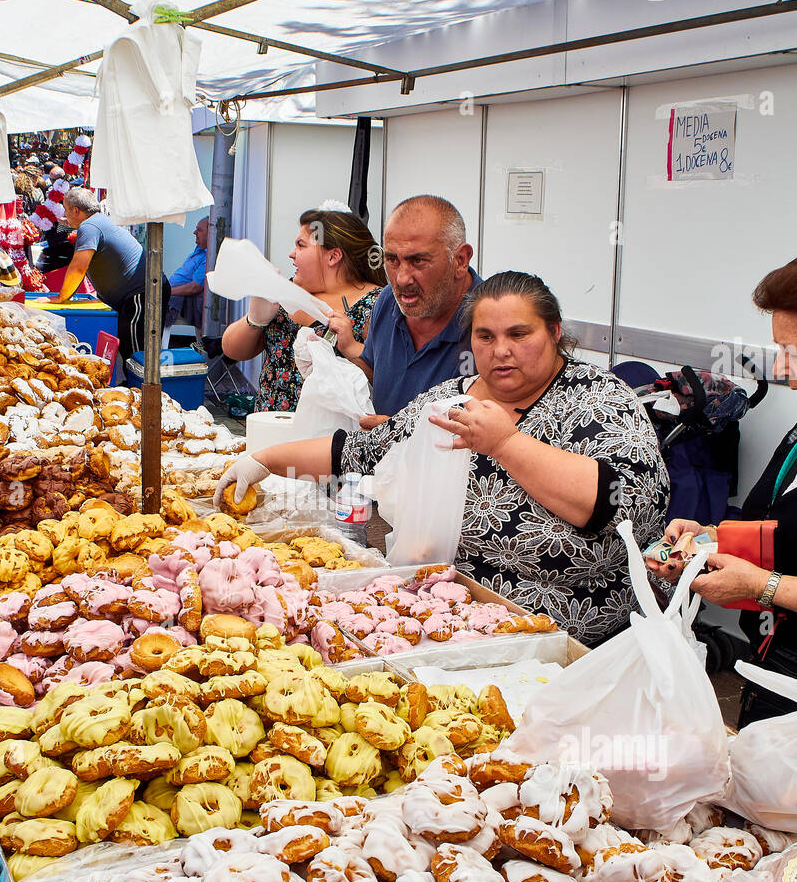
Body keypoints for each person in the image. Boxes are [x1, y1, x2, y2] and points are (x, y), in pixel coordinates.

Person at [217, 270, 669, 645]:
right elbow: (358, 450)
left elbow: (623, 506)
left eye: (519, 334)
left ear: (553, 332)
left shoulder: (599, 400)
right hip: (450, 617)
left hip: (564, 635)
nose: (501, 351)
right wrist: (264, 459)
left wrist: (506, 444)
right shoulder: (452, 398)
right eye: (485, 336)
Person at [647, 258, 797, 724]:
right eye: (780, 349)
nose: (783, 368)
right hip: (776, 666)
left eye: (795, 350)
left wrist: (761, 586)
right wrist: (708, 540)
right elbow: (779, 529)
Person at [221, 205, 386, 412]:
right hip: (272, 430)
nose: (291, 254)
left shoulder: (376, 303)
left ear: (333, 257)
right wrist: (255, 320)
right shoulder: (288, 291)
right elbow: (232, 350)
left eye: (301, 245)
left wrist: (350, 346)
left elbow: (387, 374)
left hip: (327, 438)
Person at [338, 194, 481, 421]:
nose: (402, 279)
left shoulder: (490, 321)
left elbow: (501, 430)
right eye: (392, 260)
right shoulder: (387, 302)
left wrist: (399, 435)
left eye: (418, 261)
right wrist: (332, 369)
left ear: (461, 260)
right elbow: (381, 376)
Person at [55, 186, 170, 368]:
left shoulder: (90, 226)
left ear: (76, 210)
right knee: (129, 346)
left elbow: (78, 268)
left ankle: (140, 391)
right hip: (137, 291)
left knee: (136, 353)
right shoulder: (97, 221)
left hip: (141, 291)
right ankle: (134, 387)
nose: (65, 216)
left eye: (66, 210)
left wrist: (61, 298)